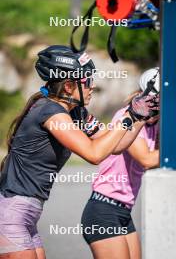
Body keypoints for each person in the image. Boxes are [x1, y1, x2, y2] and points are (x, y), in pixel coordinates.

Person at [0, 45, 158, 259]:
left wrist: (141, 118)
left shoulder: (76, 113)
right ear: (67, 86)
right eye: (87, 81)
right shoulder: (50, 112)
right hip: (11, 211)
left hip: (28, 213)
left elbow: (116, 145)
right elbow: (94, 154)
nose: (93, 86)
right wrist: (129, 115)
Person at [81, 67, 160, 259]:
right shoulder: (129, 116)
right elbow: (147, 159)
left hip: (123, 211)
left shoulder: (154, 123)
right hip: (104, 210)